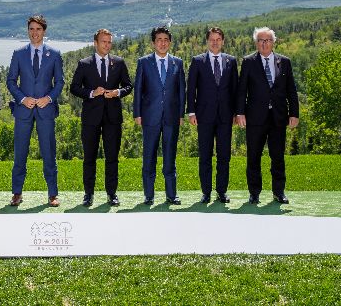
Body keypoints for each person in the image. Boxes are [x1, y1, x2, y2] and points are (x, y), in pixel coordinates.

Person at [236, 26, 299, 204]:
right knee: (253, 157)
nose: (264, 44)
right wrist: (240, 112)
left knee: (277, 157)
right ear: (256, 43)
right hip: (255, 118)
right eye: (261, 40)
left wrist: (294, 113)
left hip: (278, 118)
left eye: (268, 40)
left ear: (273, 42)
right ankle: (254, 193)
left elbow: (291, 90)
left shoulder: (284, 62)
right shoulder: (248, 62)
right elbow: (242, 90)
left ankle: (279, 192)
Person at [70, 28, 132, 206]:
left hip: (113, 118)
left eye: (109, 42)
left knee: (112, 157)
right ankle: (88, 194)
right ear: (95, 43)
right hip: (91, 119)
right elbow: (74, 88)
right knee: (89, 158)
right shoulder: (84, 64)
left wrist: (117, 92)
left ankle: (111, 194)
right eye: (104, 41)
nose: (107, 45)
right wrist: (91, 93)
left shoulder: (119, 63)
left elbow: (128, 86)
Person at [7, 15, 64, 207]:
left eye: (38, 29)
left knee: (49, 153)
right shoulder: (18, 53)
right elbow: (11, 81)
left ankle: (52, 194)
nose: (34, 33)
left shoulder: (54, 54)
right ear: (28, 31)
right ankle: (17, 193)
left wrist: (48, 99)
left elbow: (60, 82)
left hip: (46, 110)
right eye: (31, 29)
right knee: (20, 153)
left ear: (44, 31)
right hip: (23, 111)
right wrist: (23, 99)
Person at [133, 25, 186, 205]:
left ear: (170, 43)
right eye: (159, 40)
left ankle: (172, 195)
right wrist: (137, 114)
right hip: (150, 117)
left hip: (172, 117)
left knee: (170, 157)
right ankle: (149, 195)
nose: (162, 43)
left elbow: (181, 92)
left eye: (166, 40)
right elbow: (138, 90)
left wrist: (181, 114)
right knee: (149, 157)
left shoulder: (177, 62)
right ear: (153, 43)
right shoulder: (144, 62)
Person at [187, 26, 239, 204]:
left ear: (223, 41)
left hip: (226, 117)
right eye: (212, 39)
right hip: (204, 116)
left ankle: (222, 192)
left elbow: (235, 90)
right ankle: (206, 192)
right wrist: (191, 111)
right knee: (205, 156)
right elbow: (191, 89)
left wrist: (236, 113)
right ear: (207, 41)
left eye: (218, 39)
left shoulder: (231, 61)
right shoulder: (197, 61)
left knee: (224, 156)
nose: (215, 42)